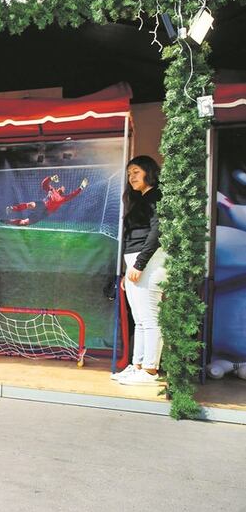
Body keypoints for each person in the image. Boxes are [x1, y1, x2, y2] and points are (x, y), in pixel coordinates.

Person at [113, 155, 166, 386]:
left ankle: (150, 370)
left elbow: (157, 233)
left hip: (150, 263)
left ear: (148, 172)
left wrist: (140, 264)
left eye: (135, 171)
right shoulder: (141, 199)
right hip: (135, 263)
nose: (131, 177)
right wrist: (128, 270)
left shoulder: (156, 196)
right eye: (128, 173)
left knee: (150, 318)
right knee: (140, 319)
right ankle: (137, 366)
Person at [1, 174, 88, 226]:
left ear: (63, 192)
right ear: (58, 188)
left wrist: (81, 187)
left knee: (24, 223)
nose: (62, 188)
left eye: (63, 189)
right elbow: (44, 184)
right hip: (42, 204)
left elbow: (73, 195)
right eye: (61, 187)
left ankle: (8, 222)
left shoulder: (63, 199)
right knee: (30, 205)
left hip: (45, 213)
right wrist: (51, 178)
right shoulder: (51, 189)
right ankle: (12, 208)